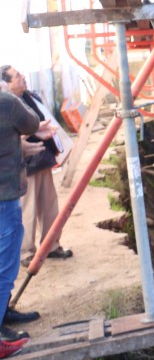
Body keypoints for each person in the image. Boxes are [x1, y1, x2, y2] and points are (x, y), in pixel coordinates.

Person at [0, 66, 72, 271]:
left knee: (49, 204)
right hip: (25, 164)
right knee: (28, 208)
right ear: (7, 83)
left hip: (42, 158)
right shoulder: (9, 104)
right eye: (17, 76)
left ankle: (51, 245)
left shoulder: (28, 98)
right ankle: (27, 252)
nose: (22, 78)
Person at [0, 79, 46, 358]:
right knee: (5, 265)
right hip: (4, 197)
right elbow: (32, 123)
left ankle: (5, 314)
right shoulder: (6, 102)